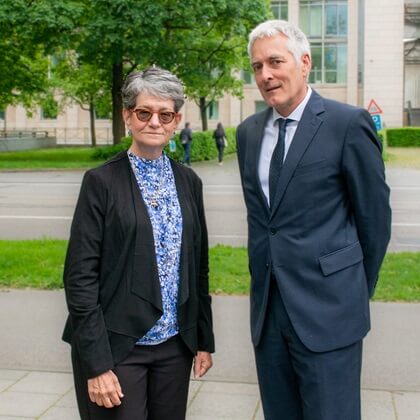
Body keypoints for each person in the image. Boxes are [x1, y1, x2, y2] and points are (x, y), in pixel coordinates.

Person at [236, 20, 391, 420]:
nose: (266, 75)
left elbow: (375, 220)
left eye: (275, 61)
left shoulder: (347, 123)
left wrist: (352, 288)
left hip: (330, 313)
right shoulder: (248, 133)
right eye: (257, 67)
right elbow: (263, 223)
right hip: (269, 315)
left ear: (305, 62)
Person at [62, 66, 214, 420]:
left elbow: (199, 267)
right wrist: (96, 365)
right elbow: (79, 278)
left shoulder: (189, 182)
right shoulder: (100, 182)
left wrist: (203, 339)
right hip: (118, 348)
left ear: (177, 119)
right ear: (128, 115)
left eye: (165, 114)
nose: (154, 122)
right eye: (144, 112)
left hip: (175, 347)